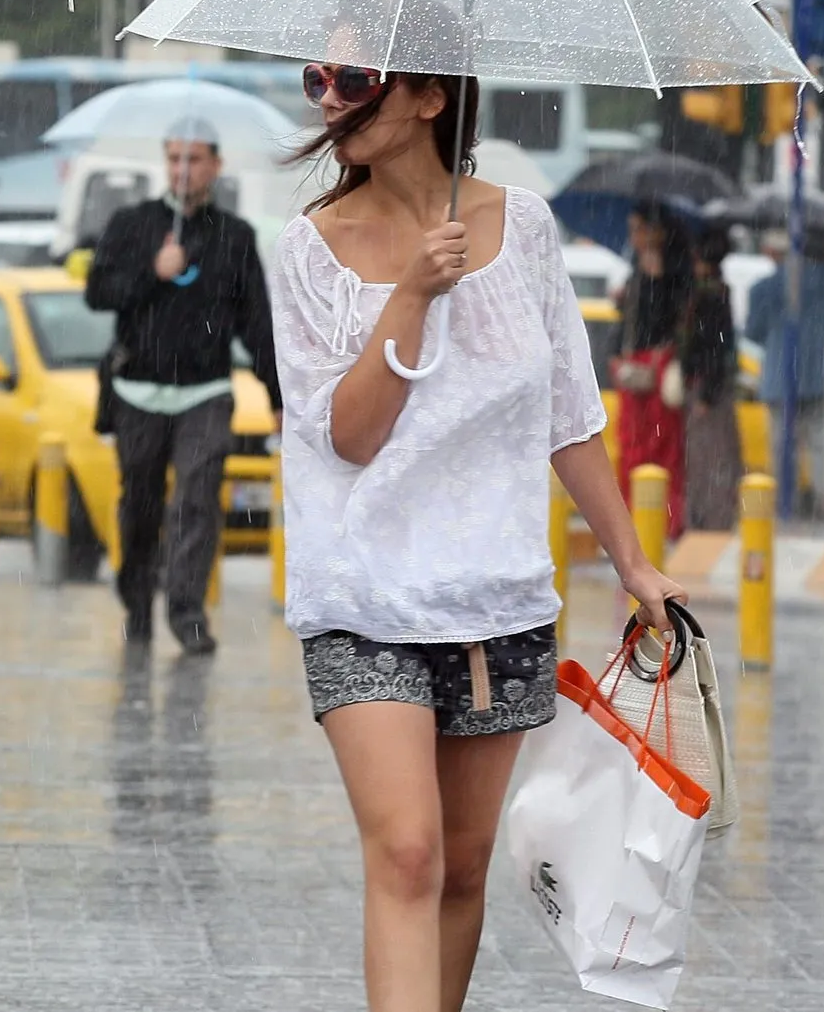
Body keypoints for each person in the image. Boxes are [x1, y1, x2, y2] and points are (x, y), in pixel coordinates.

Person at [270, 50, 684, 1012]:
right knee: (407, 850)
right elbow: (349, 434)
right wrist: (410, 296)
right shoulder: (310, 249)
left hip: (495, 598)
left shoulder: (526, 228)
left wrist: (633, 562)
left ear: (428, 93)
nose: (331, 100)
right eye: (316, 79)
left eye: (355, 77)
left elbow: (570, 417)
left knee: (461, 866)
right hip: (362, 596)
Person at [84, 115, 281, 655]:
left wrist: (277, 397)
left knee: (197, 498)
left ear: (215, 166)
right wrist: (154, 271)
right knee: (140, 505)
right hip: (137, 392)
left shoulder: (234, 236)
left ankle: (187, 610)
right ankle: (138, 602)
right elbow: (98, 293)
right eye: (174, 158)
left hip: (206, 393)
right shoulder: (131, 224)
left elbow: (256, 322)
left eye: (194, 159)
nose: (183, 169)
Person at [611, 201, 693, 538]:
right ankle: (630, 517)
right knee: (631, 444)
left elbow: (673, 320)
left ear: (656, 232)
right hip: (636, 369)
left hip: (659, 367)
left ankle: (666, 519)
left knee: (662, 447)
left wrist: (655, 282)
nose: (633, 236)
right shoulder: (635, 269)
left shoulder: (674, 272)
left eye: (638, 229)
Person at [743, 228, 824, 509]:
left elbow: (753, 332)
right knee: (820, 447)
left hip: (780, 380)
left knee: (784, 450)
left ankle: (787, 507)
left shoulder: (764, 288)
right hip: (818, 376)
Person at [682, 228, 742, 531]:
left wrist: (707, 394)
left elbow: (715, 349)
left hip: (707, 390)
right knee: (712, 458)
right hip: (710, 387)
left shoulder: (710, 296)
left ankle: (710, 518)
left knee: (708, 459)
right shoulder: (714, 292)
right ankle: (711, 516)